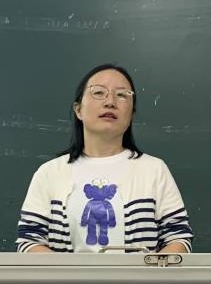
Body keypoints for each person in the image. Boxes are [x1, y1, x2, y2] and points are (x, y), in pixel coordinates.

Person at [16, 63, 193, 253]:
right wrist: (69, 272)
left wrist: (142, 272)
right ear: (78, 109)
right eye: (99, 92)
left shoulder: (154, 170)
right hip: (64, 275)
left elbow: (178, 238)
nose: (110, 102)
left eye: (122, 95)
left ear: (131, 114)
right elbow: (29, 241)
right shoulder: (50, 173)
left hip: (139, 275)